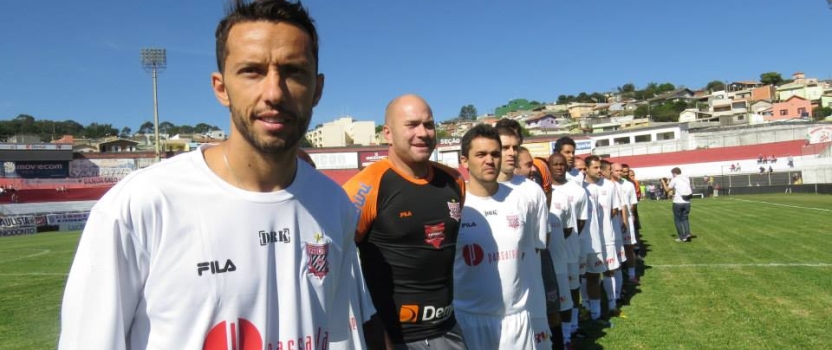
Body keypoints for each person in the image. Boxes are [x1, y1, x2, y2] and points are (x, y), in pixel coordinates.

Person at [59, 1, 377, 349]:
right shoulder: (140, 206)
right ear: (221, 87)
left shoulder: (334, 205)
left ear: (317, 89)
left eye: (293, 71)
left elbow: (337, 335)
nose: (274, 92)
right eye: (252, 71)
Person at [342, 94, 468, 349]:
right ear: (387, 134)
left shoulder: (454, 181)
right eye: (411, 125)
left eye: (429, 124)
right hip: (393, 339)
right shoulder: (365, 187)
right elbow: (337, 262)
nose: (423, 133)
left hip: (448, 329)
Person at [453, 124, 550, 350]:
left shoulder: (520, 200)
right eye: (481, 154)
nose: (490, 160)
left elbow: (533, 253)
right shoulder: (453, 205)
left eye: (495, 154)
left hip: (516, 320)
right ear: (464, 160)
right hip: (469, 320)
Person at [548, 152, 587, 348]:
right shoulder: (540, 190)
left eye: (562, 164)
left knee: (571, 292)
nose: (558, 167)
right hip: (549, 255)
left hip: (568, 251)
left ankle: (571, 329)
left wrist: (559, 241)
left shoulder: (577, 191)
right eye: (554, 164)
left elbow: (577, 223)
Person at [661, 167, 693, 243]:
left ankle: (681, 237)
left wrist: (663, 182)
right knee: (685, 218)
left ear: (674, 173)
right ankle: (687, 233)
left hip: (678, 202)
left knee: (678, 220)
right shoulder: (686, 178)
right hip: (687, 202)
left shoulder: (674, 179)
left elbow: (667, 190)